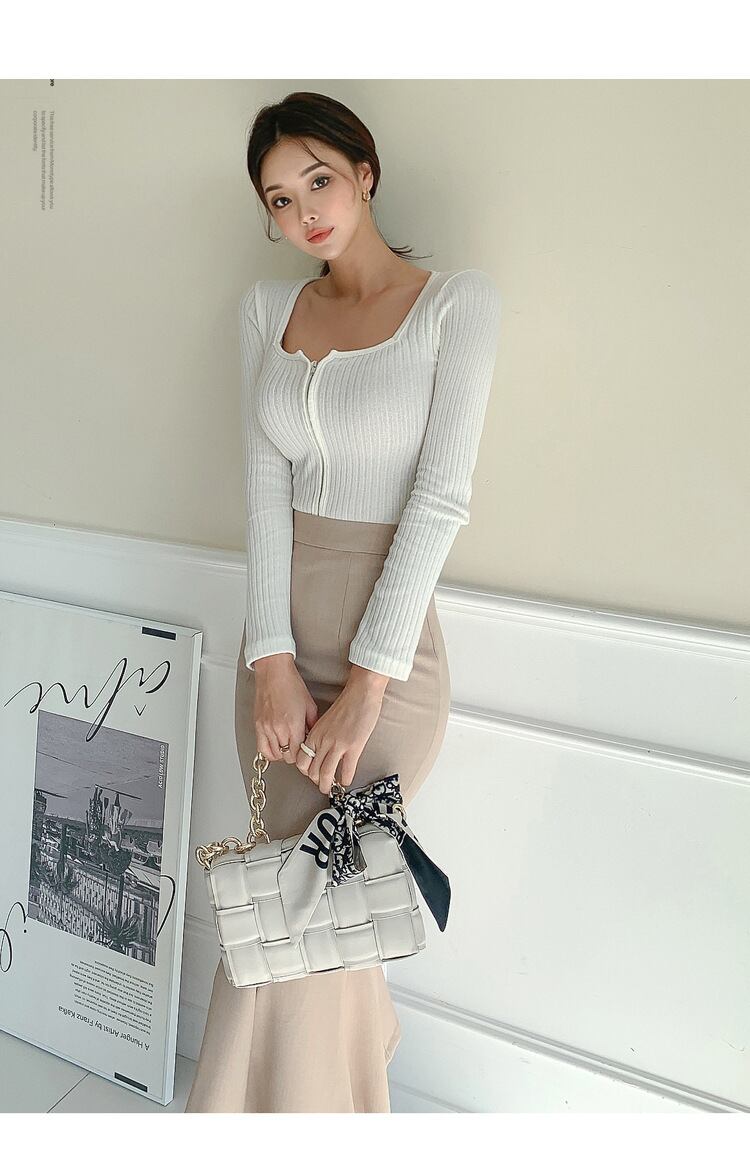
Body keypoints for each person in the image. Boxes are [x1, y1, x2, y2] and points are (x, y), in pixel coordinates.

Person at [185, 90, 501, 1113]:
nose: (304, 212)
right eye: (280, 199)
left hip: (390, 664)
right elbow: (260, 489)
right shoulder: (263, 313)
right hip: (276, 653)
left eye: (318, 180)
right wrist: (270, 660)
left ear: (365, 171)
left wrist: (367, 688)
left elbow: (441, 499)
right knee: (287, 918)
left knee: (315, 925)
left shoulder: (457, 306)